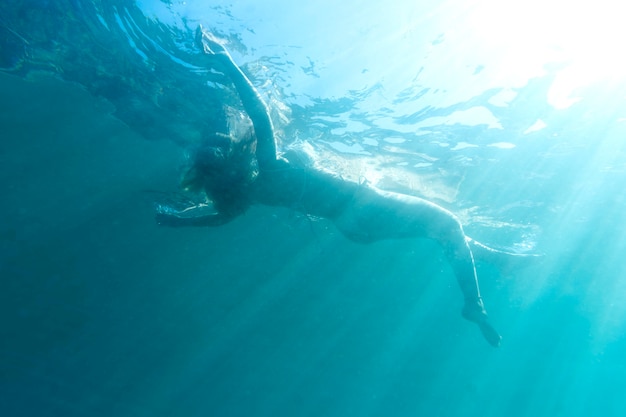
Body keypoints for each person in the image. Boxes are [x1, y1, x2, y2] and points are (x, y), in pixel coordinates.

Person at [156, 26, 502, 347]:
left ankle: (488, 255)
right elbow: (259, 113)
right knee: (447, 224)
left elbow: (218, 217)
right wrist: (225, 60)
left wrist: (178, 220)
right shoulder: (268, 168)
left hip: (353, 227)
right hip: (367, 205)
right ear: (233, 158)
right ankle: (475, 304)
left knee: (437, 231)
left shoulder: (247, 194)